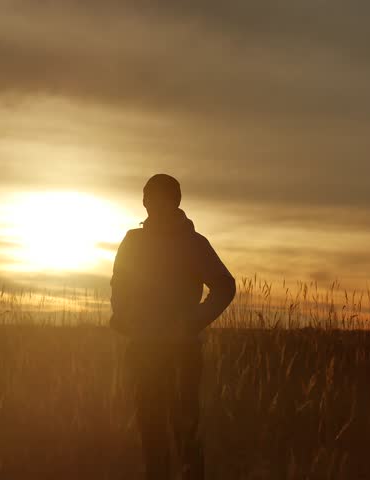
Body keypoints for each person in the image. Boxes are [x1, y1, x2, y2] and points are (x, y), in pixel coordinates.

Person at [110, 174, 236, 480]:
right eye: (148, 197)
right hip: (143, 349)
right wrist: (124, 318)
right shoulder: (133, 241)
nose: (151, 203)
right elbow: (119, 286)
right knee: (151, 429)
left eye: (158, 197)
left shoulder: (194, 244)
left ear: (174, 201)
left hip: (182, 352)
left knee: (185, 428)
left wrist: (192, 323)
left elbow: (224, 286)